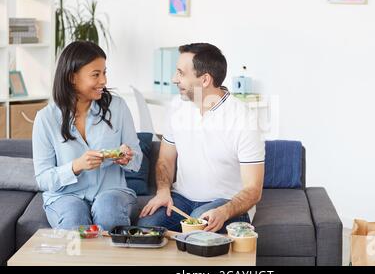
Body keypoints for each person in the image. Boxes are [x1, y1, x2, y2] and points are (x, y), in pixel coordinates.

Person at [138, 43, 265, 233]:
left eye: (181, 73)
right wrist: (163, 190)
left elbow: (253, 189)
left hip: (225, 202)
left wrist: (224, 211)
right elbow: (165, 159)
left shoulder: (243, 119)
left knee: (197, 227)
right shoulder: (177, 107)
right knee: (146, 228)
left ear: (205, 80)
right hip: (182, 198)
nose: (174, 79)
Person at [32, 41, 142, 231]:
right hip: (64, 196)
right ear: (72, 77)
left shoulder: (118, 107)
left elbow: (137, 159)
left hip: (112, 191)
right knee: (73, 217)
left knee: (108, 209)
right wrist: (75, 167)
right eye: (96, 75)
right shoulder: (45, 118)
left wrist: (128, 158)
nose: (104, 81)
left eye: (104, 73)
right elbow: (42, 179)